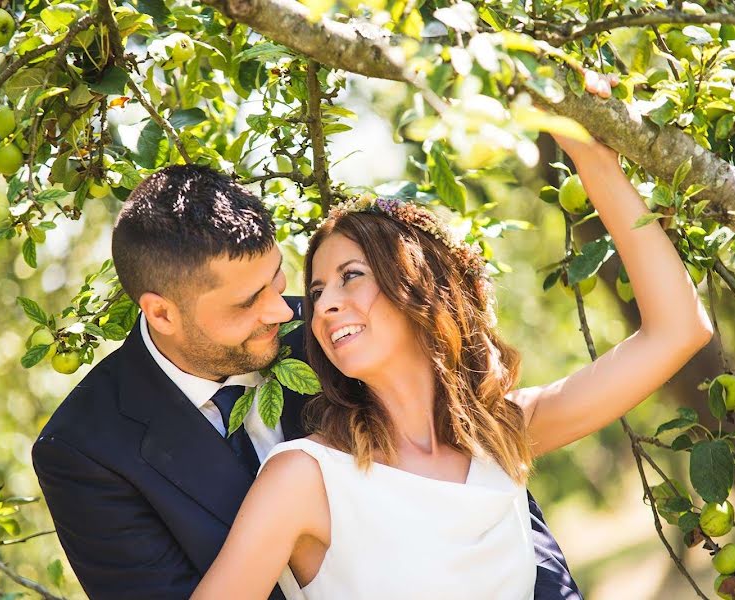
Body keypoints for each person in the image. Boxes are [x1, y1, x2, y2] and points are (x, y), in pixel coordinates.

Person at [186, 116, 715, 598]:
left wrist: (590, 154)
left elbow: (678, 329)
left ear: (419, 286)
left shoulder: (502, 434)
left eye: (351, 277)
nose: (323, 305)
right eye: (318, 289)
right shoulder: (303, 478)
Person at [32, 163, 581, 598]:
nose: (282, 312)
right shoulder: (84, 453)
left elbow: (479, 482)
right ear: (162, 314)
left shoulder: (337, 334)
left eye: (278, 281)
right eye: (249, 302)